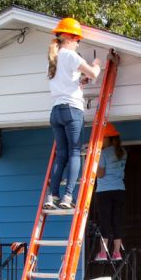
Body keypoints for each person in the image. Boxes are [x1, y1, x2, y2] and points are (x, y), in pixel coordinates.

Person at [45, 17, 101, 210]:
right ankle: (68, 197)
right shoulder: (70, 55)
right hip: (72, 110)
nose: (78, 43)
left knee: (61, 154)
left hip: (56, 111)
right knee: (75, 152)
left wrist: (80, 82)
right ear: (70, 37)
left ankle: (52, 196)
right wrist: (97, 64)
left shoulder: (53, 59)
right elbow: (93, 73)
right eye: (78, 40)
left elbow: (66, 81)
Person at [93, 123, 126, 262]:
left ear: (108, 138)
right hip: (119, 190)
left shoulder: (104, 153)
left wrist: (94, 165)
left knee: (105, 221)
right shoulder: (123, 152)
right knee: (116, 221)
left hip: (104, 191)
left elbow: (100, 174)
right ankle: (117, 253)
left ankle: (103, 253)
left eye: (103, 138)